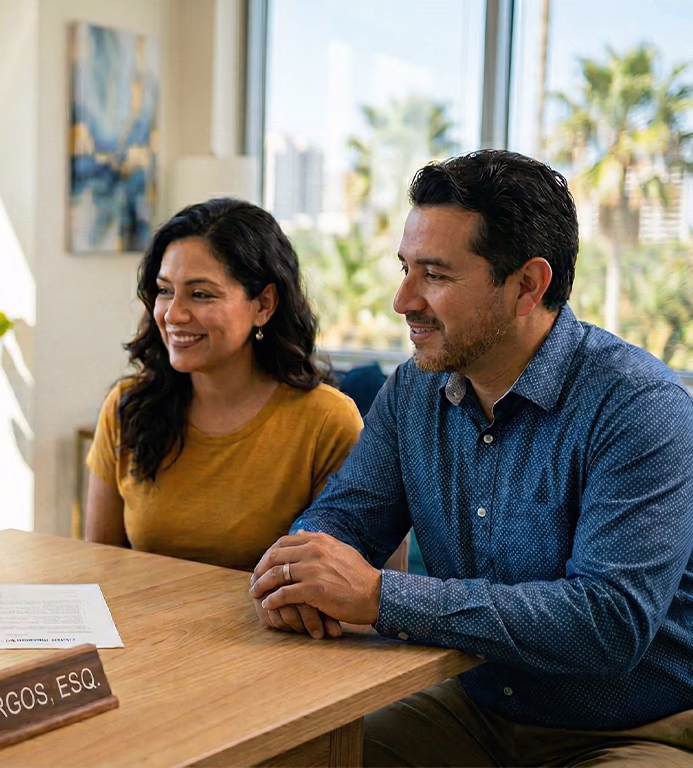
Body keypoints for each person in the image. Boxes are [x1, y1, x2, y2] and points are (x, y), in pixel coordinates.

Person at [248, 150, 693, 765]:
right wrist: (300, 573)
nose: (402, 301)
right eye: (404, 268)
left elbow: (608, 622)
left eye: (435, 275)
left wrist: (382, 597)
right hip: (470, 707)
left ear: (527, 286)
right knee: (284, 757)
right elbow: (343, 523)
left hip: (635, 730)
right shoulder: (413, 391)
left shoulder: (640, 405)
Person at [85, 199, 362, 574]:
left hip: (268, 632)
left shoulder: (327, 421)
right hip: (142, 630)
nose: (173, 314)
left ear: (264, 304)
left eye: (201, 294)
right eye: (165, 290)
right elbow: (100, 569)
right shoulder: (127, 406)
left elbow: (343, 585)